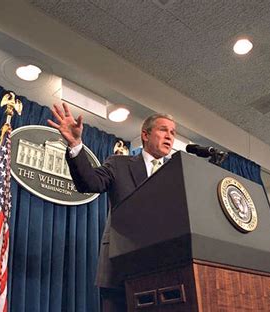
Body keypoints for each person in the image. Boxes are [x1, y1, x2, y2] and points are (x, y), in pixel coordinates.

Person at [47, 102, 176, 311]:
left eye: (172, 132)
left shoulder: (174, 175)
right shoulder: (120, 164)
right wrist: (75, 145)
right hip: (120, 268)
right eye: (163, 130)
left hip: (163, 270)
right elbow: (88, 183)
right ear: (145, 134)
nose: (170, 136)